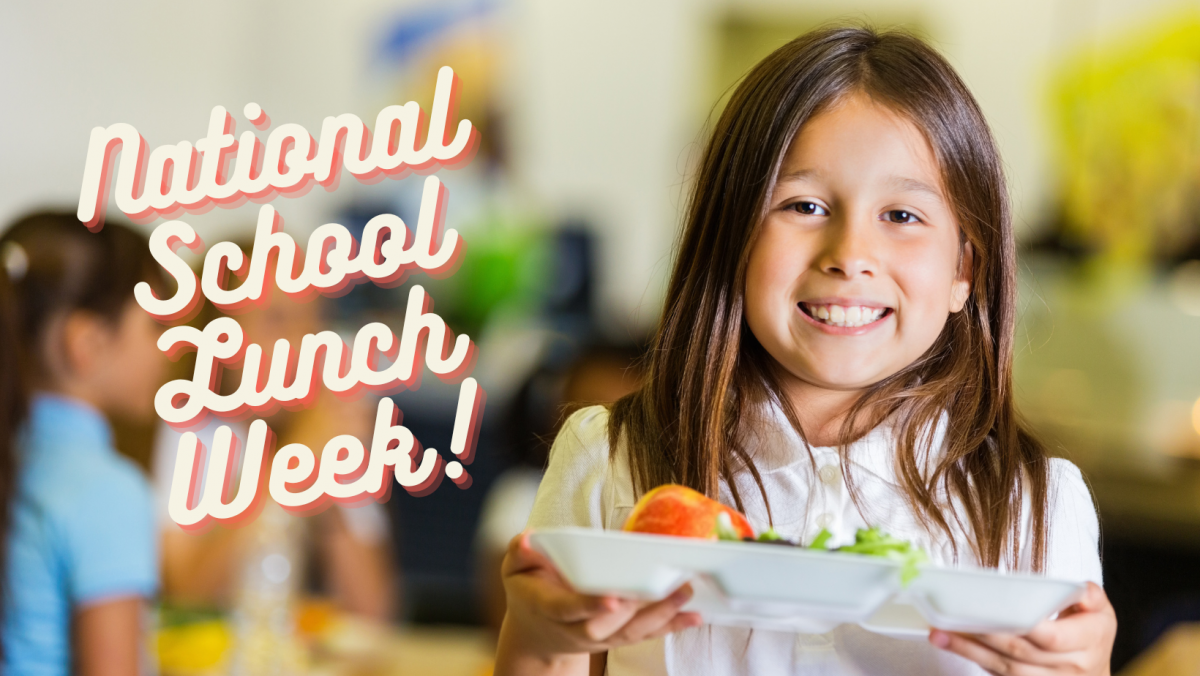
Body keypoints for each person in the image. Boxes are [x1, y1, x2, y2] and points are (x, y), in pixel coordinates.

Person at [494, 26, 1116, 676]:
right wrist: (540, 643)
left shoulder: (1035, 507)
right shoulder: (610, 460)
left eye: (902, 216)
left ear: (964, 271)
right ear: (731, 237)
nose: (849, 256)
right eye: (805, 204)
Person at [153, 251, 396, 622]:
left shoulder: (322, 430)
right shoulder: (193, 431)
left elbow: (374, 611)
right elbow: (187, 593)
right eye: (275, 321)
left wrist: (324, 487)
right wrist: (287, 463)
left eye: (313, 323)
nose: (300, 344)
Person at [1, 212, 164, 675]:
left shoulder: (17, 459)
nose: (169, 348)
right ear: (87, 344)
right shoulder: (108, 491)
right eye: (153, 326)